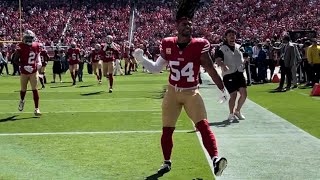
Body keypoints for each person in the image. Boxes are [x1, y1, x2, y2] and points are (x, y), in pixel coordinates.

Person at [133, 0, 228, 177]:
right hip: (172, 92)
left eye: (190, 24)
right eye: (185, 24)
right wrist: (142, 59)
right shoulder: (168, 43)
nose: (188, 26)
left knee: (203, 125)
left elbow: (209, 67)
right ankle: (166, 162)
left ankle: (215, 159)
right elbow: (156, 68)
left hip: (191, 92)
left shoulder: (200, 44)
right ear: (177, 26)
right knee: (167, 129)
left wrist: (222, 88)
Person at [215, 28, 248, 122]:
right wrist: (222, 65)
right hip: (229, 74)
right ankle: (231, 113)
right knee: (233, 95)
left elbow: (245, 55)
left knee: (244, 94)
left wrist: (245, 60)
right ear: (226, 37)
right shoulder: (221, 48)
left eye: (233, 35)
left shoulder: (239, 46)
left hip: (239, 73)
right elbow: (217, 59)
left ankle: (238, 111)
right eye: (230, 35)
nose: (232, 37)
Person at [12, 30, 41, 116]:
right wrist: (23, 66)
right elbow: (15, 60)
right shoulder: (20, 46)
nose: (28, 40)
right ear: (24, 38)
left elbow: (38, 56)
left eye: (30, 38)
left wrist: (39, 63)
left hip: (33, 70)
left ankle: (37, 108)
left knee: (34, 89)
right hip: (24, 71)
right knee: (23, 89)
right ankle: (22, 100)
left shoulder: (36, 45)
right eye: (27, 38)